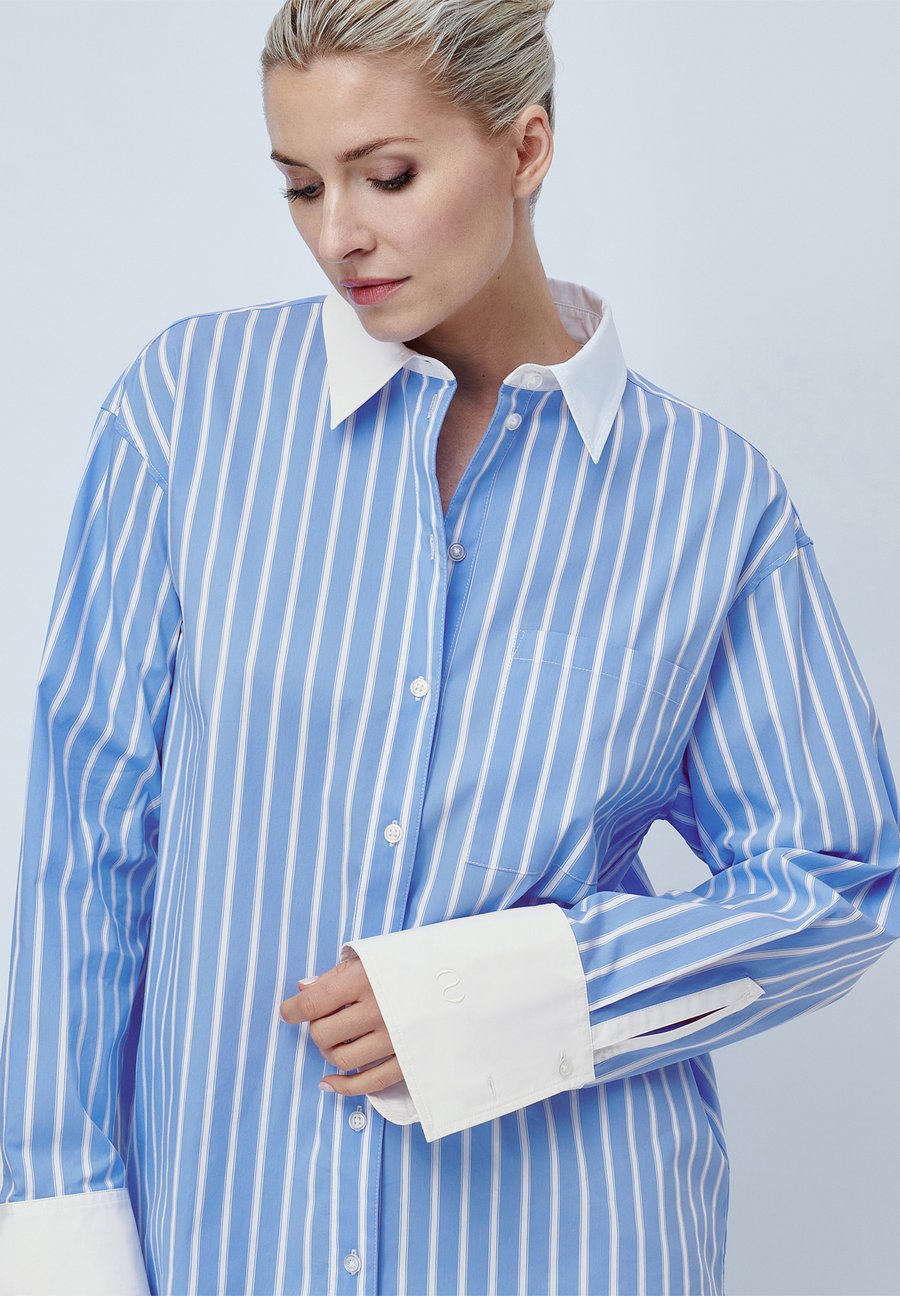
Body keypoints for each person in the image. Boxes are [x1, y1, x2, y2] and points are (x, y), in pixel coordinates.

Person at [0, 0, 898, 1292]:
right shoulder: (189, 409)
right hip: (230, 1231)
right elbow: (87, 836)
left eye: (388, 176)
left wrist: (518, 995)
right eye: (301, 185)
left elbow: (838, 877)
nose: (338, 235)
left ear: (526, 150)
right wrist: (58, 1217)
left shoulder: (708, 500)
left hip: (568, 1239)